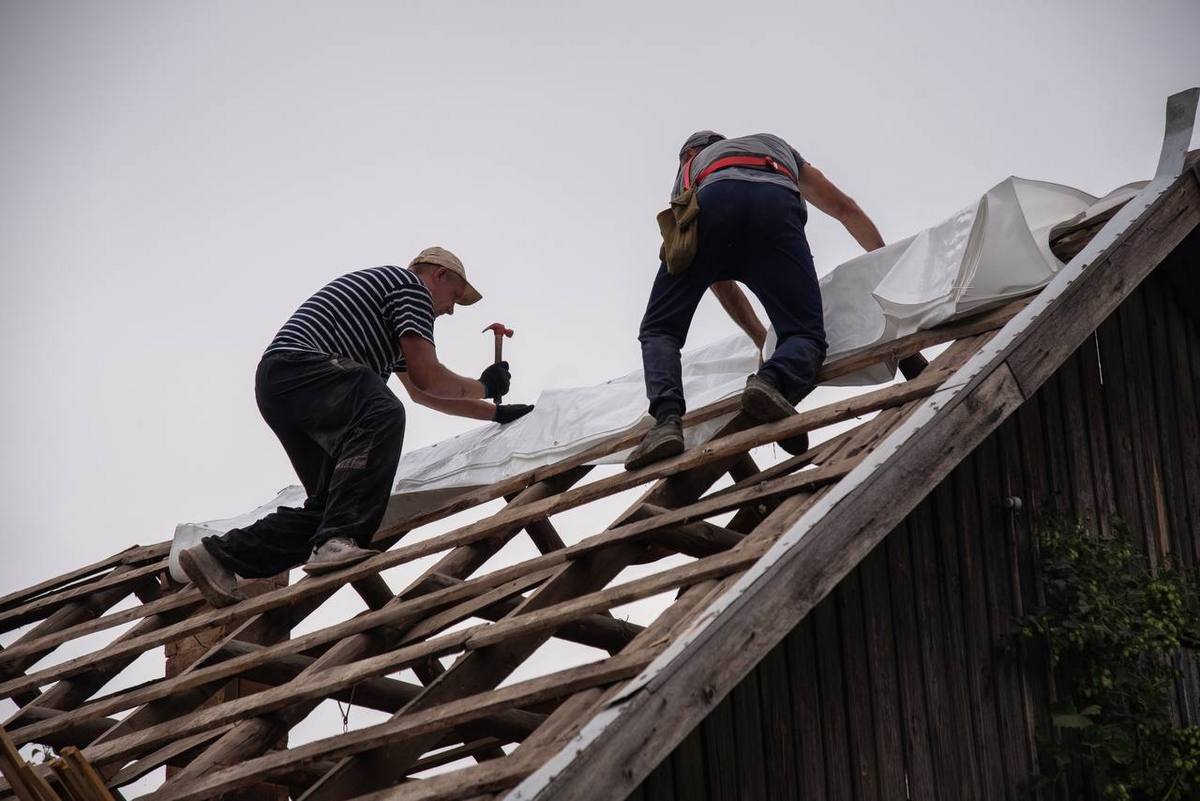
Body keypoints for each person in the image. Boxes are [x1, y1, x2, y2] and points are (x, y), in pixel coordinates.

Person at [180, 247, 534, 607]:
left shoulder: (388, 321)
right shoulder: (410, 287)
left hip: (284, 386)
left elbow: (422, 394)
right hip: (304, 366)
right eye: (454, 297)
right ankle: (337, 541)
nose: (450, 309)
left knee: (332, 505)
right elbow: (429, 378)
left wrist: (494, 414)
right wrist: (486, 386)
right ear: (438, 276)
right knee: (382, 413)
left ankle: (219, 556)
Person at [625, 131, 885, 470]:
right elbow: (845, 209)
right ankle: (773, 381)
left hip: (713, 204)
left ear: (689, 153)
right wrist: (890, 265)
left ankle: (666, 422)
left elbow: (717, 281)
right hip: (774, 207)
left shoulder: (690, 172)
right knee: (804, 334)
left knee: (661, 328)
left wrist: (760, 337)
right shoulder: (775, 146)